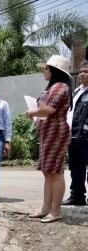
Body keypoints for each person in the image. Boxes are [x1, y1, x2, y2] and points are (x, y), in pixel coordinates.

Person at [26, 55, 72, 223]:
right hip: (48, 133)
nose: (44, 72)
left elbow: (50, 109)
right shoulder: (55, 87)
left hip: (56, 132)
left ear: (55, 71)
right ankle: (47, 207)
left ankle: (56, 210)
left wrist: (32, 112)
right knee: (48, 172)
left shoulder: (60, 87)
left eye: (46, 69)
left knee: (56, 172)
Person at [62, 60, 88, 206]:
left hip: (86, 137)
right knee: (76, 168)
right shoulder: (77, 91)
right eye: (81, 71)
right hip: (74, 137)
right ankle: (77, 196)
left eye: (86, 71)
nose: (82, 74)